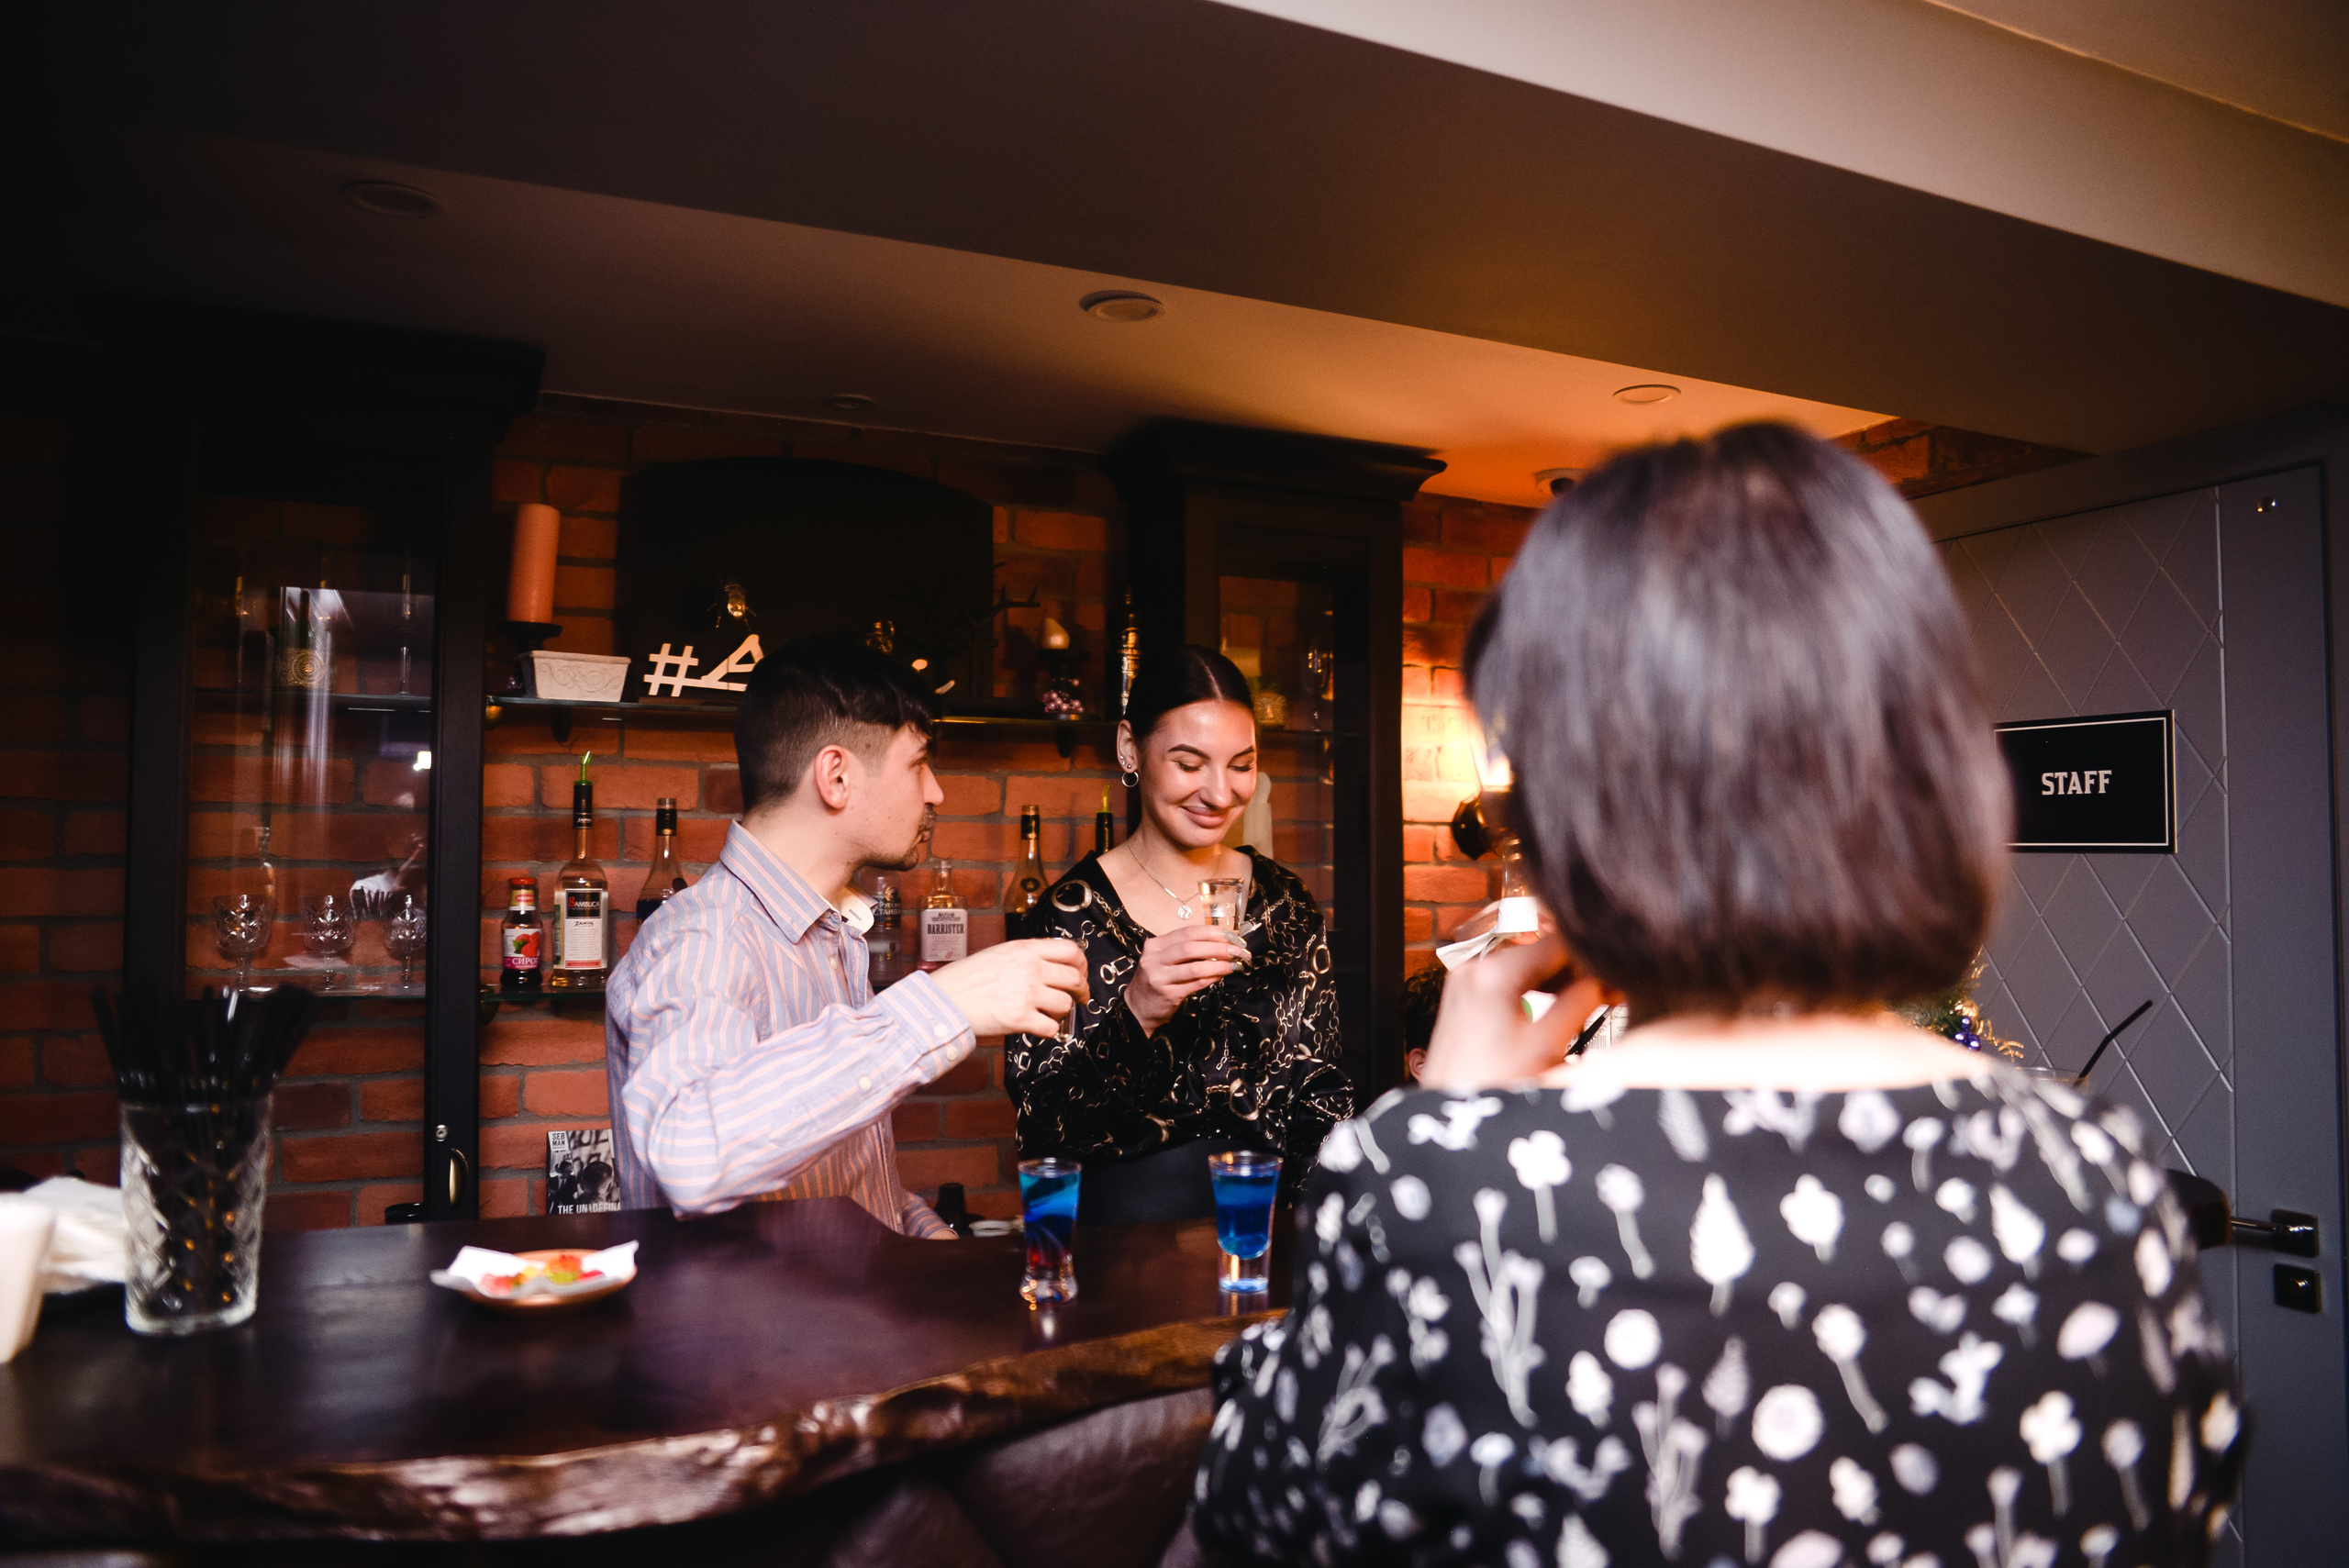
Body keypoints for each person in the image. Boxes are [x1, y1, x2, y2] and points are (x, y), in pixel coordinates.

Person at [1194, 425, 2242, 1565]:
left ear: (1576, 808)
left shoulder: (1448, 1191)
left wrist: (1441, 1128)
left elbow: (1264, 1523)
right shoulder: (2095, 1178)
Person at [605, 636, 1087, 1237]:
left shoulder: (834, 936)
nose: (935, 791)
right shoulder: (704, 939)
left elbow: (835, 1178)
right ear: (836, 776)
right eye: (918, 763)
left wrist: (927, 1237)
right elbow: (690, 1155)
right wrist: (946, 1003)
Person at [1006, 644, 1353, 1223]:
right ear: (1128, 748)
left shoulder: (1284, 903)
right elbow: (1044, 1126)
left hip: (1265, 1231)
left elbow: (1322, 1093)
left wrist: (1313, 1239)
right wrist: (1137, 1010)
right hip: (1122, 1245)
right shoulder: (1068, 915)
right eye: (1190, 765)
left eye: (1241, 766)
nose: (1221, 794)